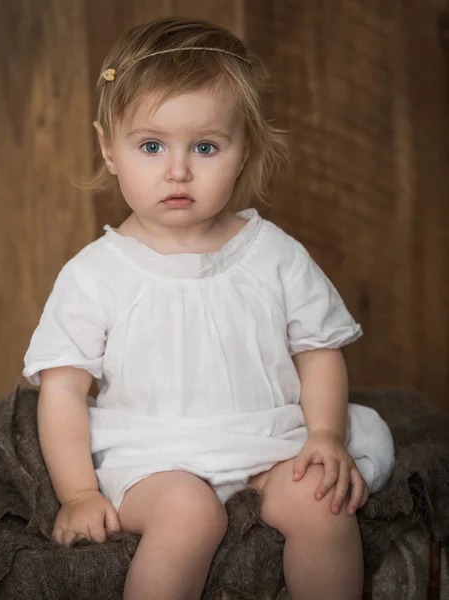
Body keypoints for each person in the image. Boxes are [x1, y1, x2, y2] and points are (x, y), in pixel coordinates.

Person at [23, 16, 394, 600]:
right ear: (108, 147)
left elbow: (317, 351)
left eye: (205, 146)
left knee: (321, 506)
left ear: (244, 147)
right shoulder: (96, 274)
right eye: (151, 145)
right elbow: (64, 390)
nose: (178, 170)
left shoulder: (273, 254)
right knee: (190, 513)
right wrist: (78, 494)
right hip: (150, 453)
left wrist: (323, 433)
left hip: (266, 440)